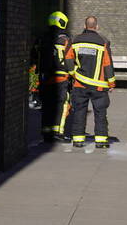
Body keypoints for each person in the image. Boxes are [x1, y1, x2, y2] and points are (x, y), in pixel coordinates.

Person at [64, 16, 116, 149]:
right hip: (98, 86)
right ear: (96, 27)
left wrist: (73, 73)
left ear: (85, 26)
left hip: (79, 84)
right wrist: (111, 83)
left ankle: (78, 140)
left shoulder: (75, 40)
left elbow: (68, 58)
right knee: (100, 113)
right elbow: (108, 64)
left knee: (79, 112)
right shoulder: (103, 42)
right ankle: (101, 141)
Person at [38, 11, 72, 142]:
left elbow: (35, 55)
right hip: (61, 77)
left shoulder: (42, 38)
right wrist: (72, 73)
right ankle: (58, 132)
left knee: (47, 105)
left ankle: (46, 133)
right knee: (62, 104)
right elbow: (70, 58)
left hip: (46, 77)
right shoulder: (65, 40)